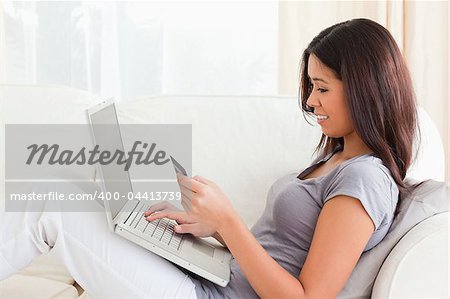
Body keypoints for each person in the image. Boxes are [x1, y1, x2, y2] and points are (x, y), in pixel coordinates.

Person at [0, 18, 420, 299]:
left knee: (52, 201)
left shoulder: (363, 180)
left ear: (366, 88)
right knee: (65, 189)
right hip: (207, 279)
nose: (311, 102)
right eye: (311, 87)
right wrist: (211, 232)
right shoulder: (339, 159)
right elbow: (276, 253)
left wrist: (228, 222)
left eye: (322, 88)